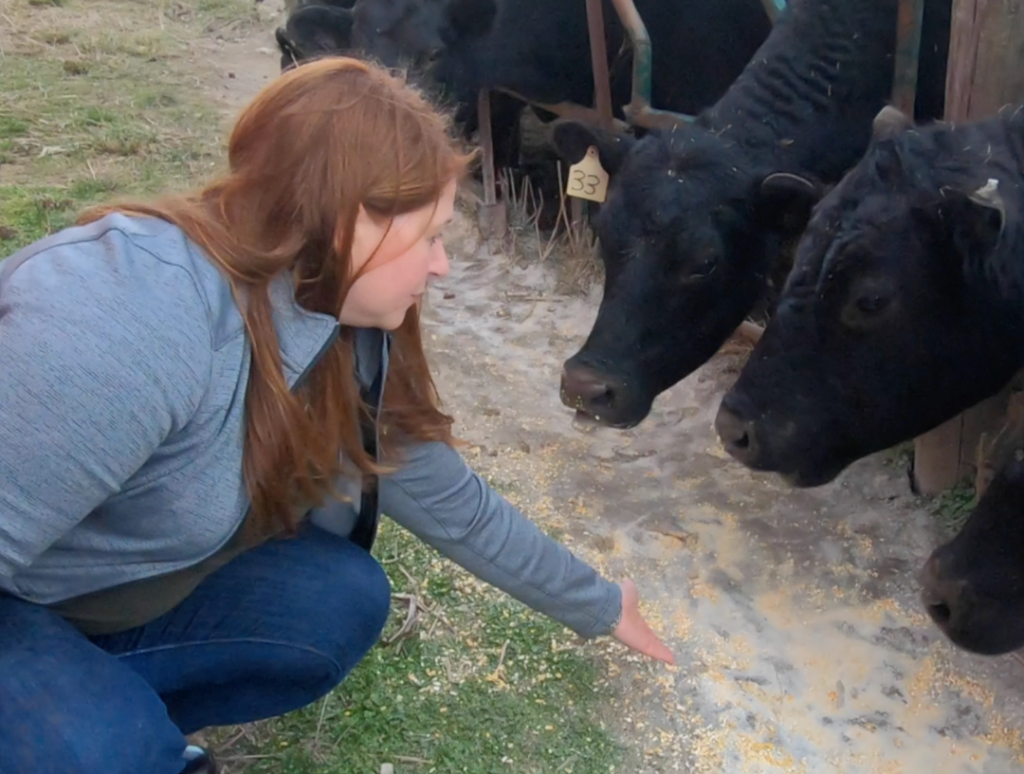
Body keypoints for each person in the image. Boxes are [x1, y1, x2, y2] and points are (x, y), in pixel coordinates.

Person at [0, 57, 673, 774]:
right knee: (97, 748)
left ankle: (104, 713)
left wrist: (599, 604)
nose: (440, 266)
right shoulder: (122, 319)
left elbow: (453, 503)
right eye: (431, 236)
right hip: (17, 599)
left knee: (334, 601)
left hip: (92, 602)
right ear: (348, 216)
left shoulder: (331, 317)